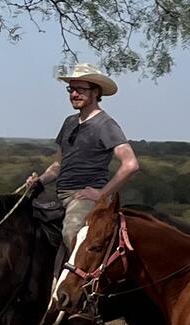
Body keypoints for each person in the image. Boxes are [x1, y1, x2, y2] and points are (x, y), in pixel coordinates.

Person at [27, 63, 138, 295]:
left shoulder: (105, 124)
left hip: (86, 195)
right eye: (71, 89)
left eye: (81, 89)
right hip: (61, 193)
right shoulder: (69, 123)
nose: (74, 94)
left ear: (95, 92)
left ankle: (82, 291)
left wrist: (101, 194)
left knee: (71, 232)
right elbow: (58, 165)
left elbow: (130, 164)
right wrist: (40, 181)